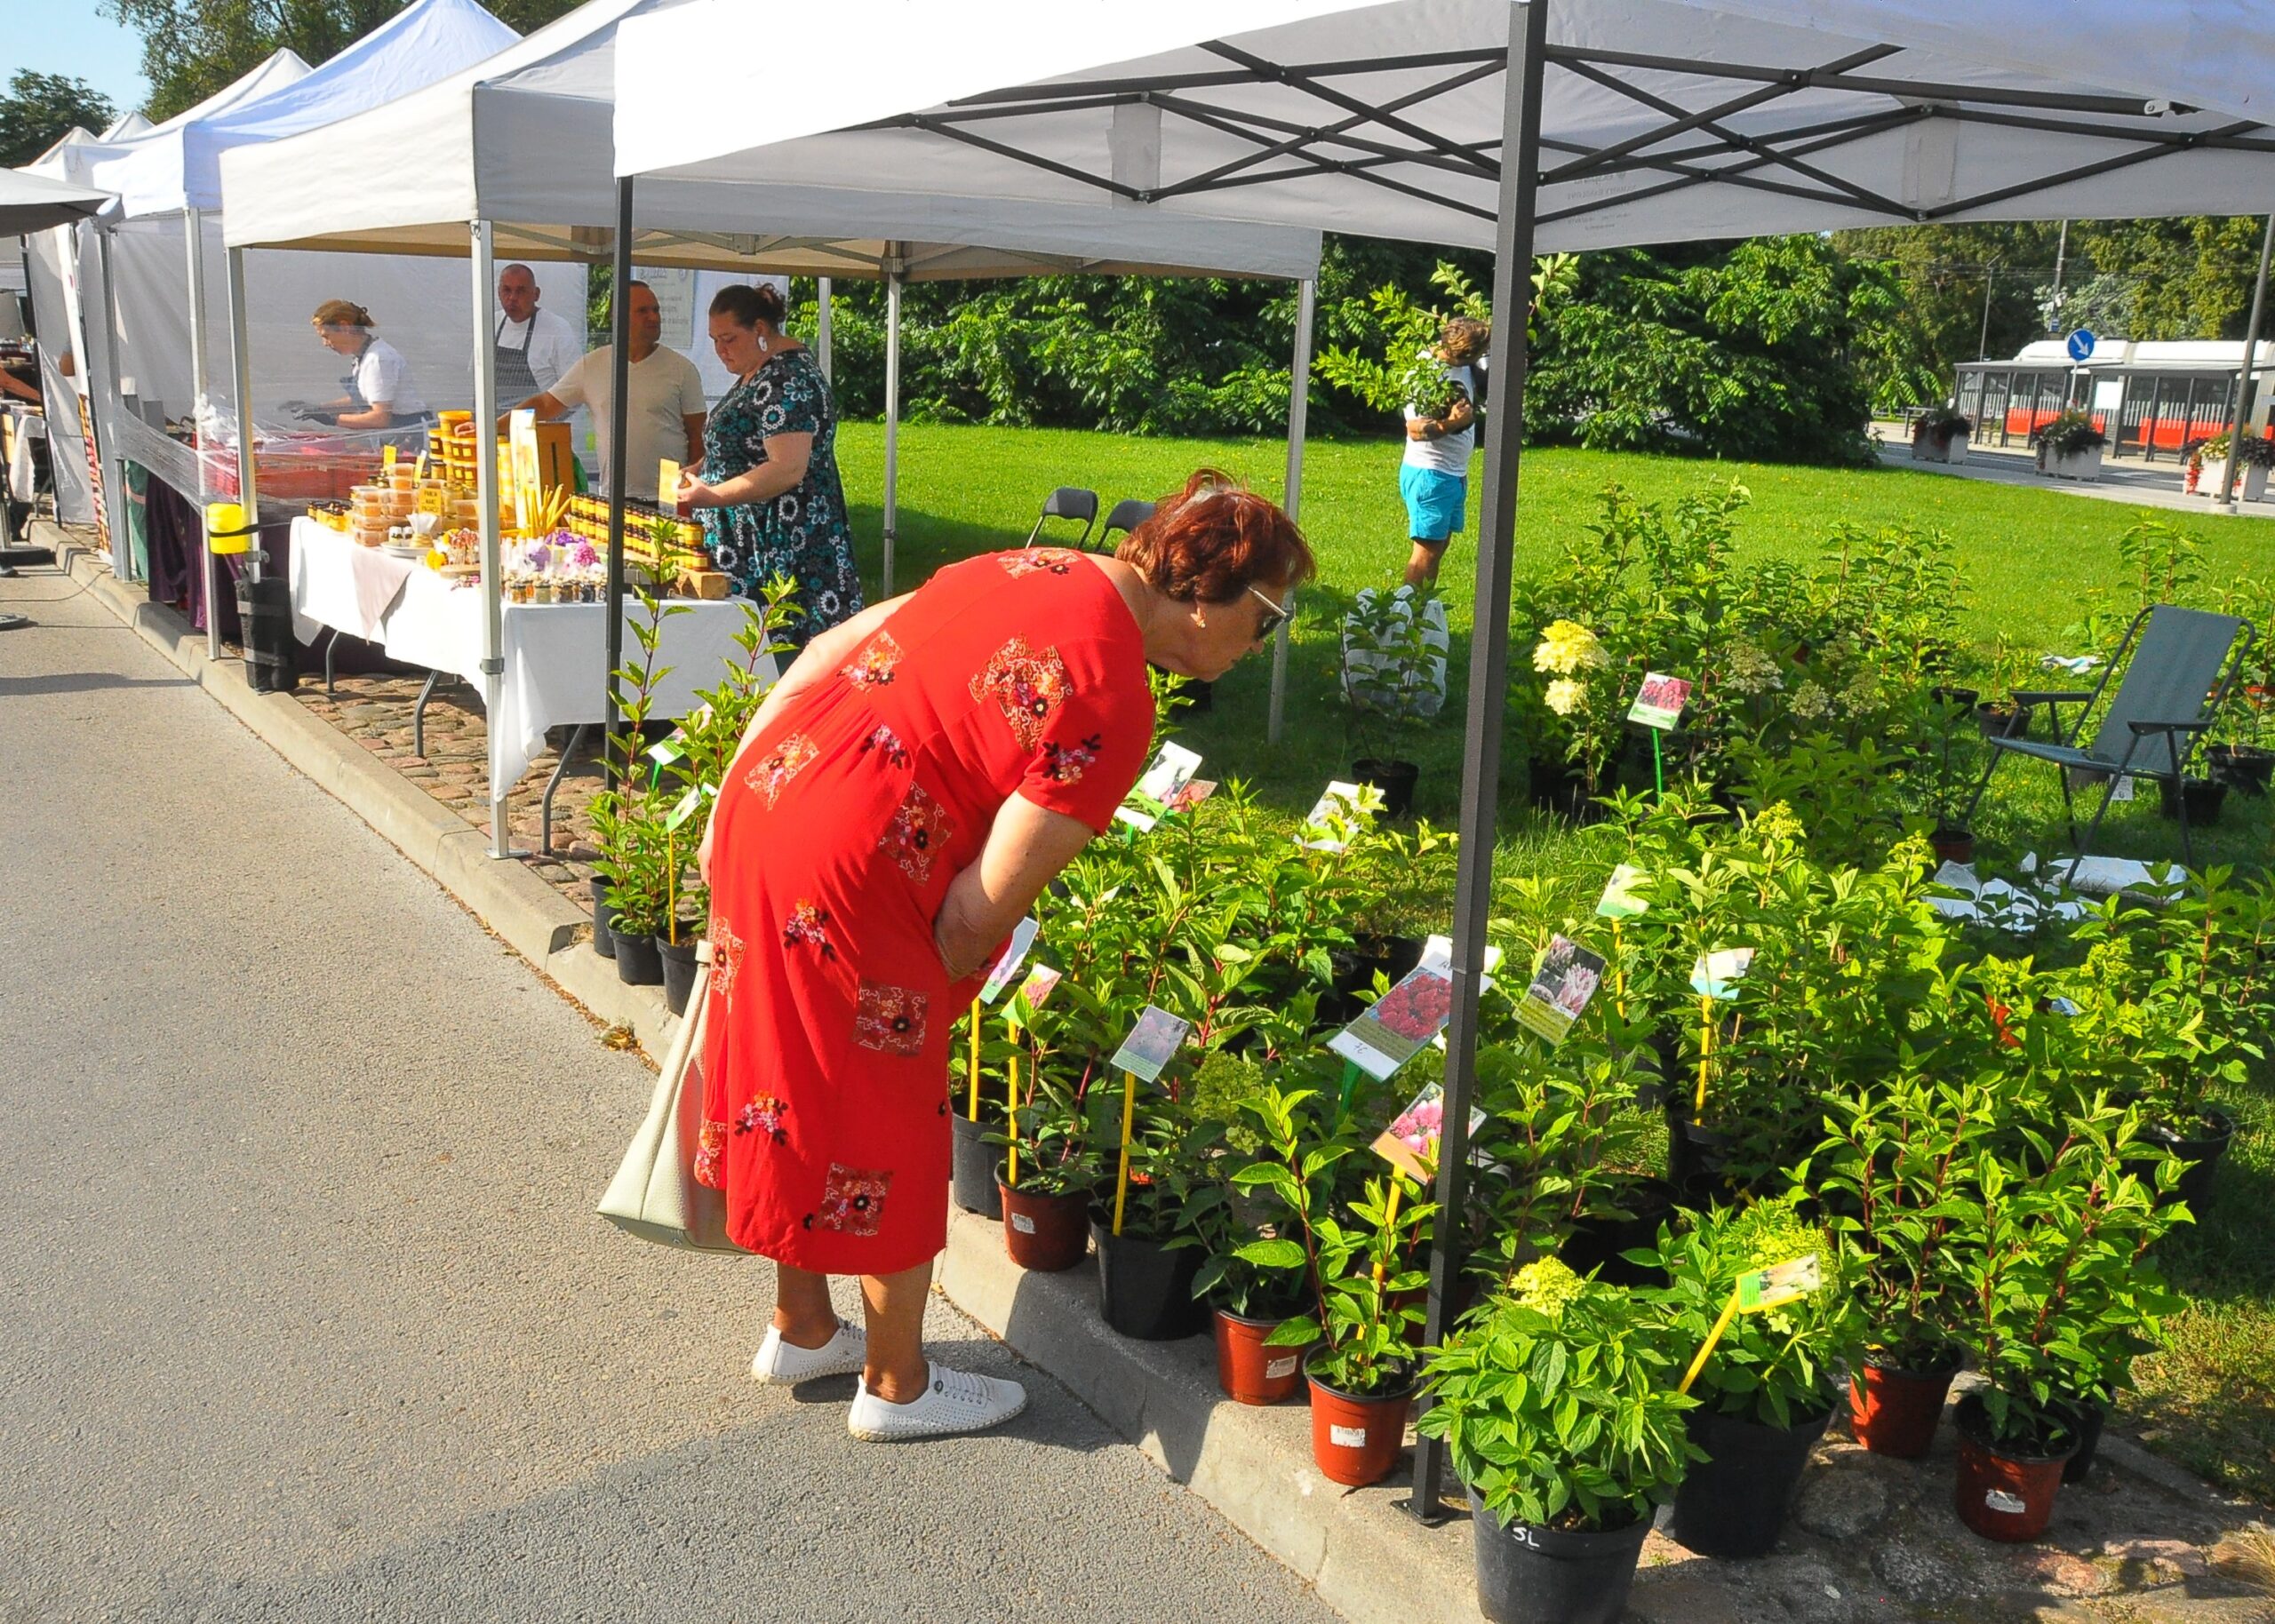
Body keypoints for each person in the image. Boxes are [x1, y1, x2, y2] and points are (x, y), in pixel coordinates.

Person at [695, 469, 1313, 1441]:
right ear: (1208, 592)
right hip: (856, 865)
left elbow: (821, 652)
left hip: (773, 801)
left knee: (792, 1071)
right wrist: (930, 983)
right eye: (1268, 620)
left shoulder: (1026, 564)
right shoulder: (1112, 693)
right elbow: (975, 915)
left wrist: (734, 796)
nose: (1259, 647)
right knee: (888, 1112)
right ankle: (897, 1384)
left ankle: (803, 1325)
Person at [676, 283, 859, 647]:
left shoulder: (787, 378)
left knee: (779, 654)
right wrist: (699, 468)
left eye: (728, 338)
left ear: (760, 329)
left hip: (782, 545)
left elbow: (787, 467)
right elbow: (743, 445)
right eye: (714, 340)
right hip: (755, 544)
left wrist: (712, 495)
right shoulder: (759, 371)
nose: (720, 350)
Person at [495, 279, 705, 498]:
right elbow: (545, 405)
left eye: (656, 310)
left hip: (668, 498)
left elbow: (698, 436)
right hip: (613, 496)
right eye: (643, 311)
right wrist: (493, 428)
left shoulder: (682, 369)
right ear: (617, 316)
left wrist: (688, 492)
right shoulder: (593, 365)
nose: (653, 317)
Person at [1400, 315, 1489, 589]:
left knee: (1438, 548)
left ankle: (1421, 607)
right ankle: (1403, 611)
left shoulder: (1466, 366)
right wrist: (1453, 422)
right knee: (1425, 553)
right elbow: (1415, 430)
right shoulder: (1425, 373)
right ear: (1464, 352)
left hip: (1453, 474)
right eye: (1480, 352)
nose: (1483, 356)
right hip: (1430, 474)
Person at [298, 301, 430, 435]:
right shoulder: (363, 356)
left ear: (345, 327)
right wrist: (317, 409)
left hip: (409, 434)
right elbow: (364, 398)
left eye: (326, 336)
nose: (325, 344)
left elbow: (380, 419)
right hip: (394, 431)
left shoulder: (378, 359)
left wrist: (332, 419)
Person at [491, 262, 581, 401]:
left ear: (536, 294)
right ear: (499, 293)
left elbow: (574, 389)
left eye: (521, 291)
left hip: (540, 415)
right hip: (492, 414)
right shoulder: (491, 324)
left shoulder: (557, 329)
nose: (512, 298)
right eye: (507, 290)